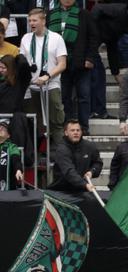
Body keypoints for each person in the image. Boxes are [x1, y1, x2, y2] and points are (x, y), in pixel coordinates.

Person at [47, 0, 98, 135]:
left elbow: (94, 37)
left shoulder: (84, 14)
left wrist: (90, 58)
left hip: (80, 62)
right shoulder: (50, 14)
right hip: (59, 63)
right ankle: (68, 127)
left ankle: (83, 127)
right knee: (64, 97)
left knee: (84, 96)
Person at [20, 8, 67, 146]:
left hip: (50, 85)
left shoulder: (56, 38)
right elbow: (22, 61)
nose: (31, 23)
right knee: (34, 123)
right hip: (32, 86)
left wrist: (47, 76)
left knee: (56, 122)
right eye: (29, 21)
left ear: (43, 20)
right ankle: (37, 157)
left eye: (34, 20)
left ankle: (61, 156)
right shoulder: (26, 38)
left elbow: (62, 64)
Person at [49, 119, 102, 192]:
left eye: (78, 130)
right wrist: (85, 185)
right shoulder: (61, 149)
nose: (75, 132)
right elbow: (69, 172)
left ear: (81, 132)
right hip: (62, 191)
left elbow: (97, 163)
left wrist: (91, 172)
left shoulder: (90, 146)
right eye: (72, 130)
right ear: (66, 133)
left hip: (82, 190)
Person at [0, 119, 23, 191]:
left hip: (7, 187)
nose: (0, 129)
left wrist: (18, 170)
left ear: (8, 135)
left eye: (3, 129)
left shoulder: (11, 146)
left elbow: (16, 159)